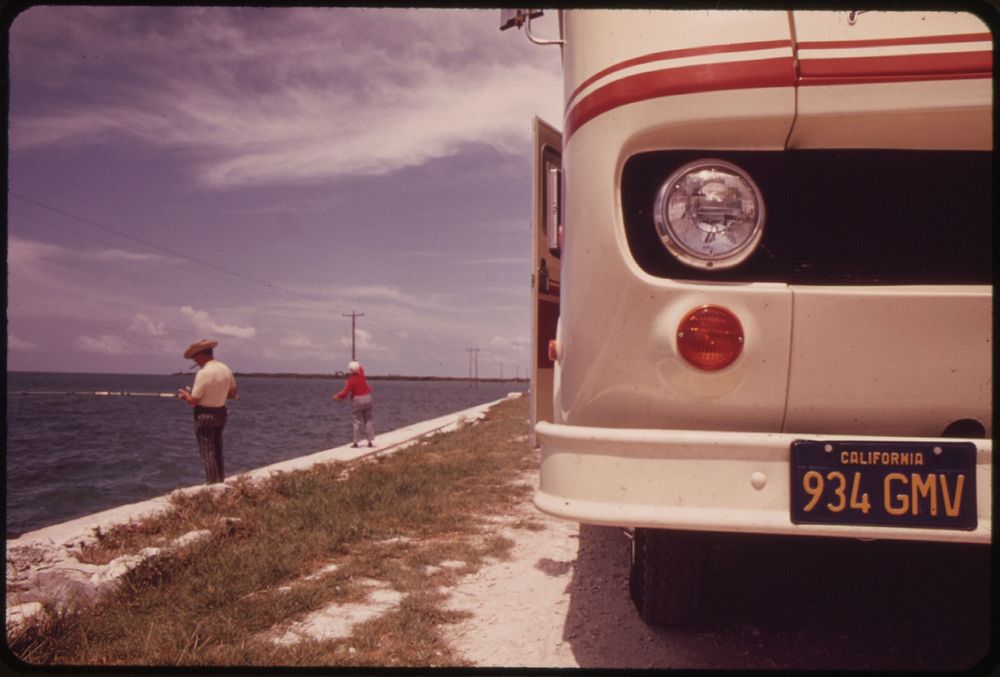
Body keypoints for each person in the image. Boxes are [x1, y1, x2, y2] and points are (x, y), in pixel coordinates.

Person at [177, 339, 238, 484]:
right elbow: (233, 393)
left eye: (194, 357)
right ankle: (220, 481)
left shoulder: (203, 373)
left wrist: (186, 396)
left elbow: (194, 401)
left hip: (205, 415)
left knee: (207, 452)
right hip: (221, 413)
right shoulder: (225, 368)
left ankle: (212, 485)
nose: (195, 361)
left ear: (200, 355)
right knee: (217, 450)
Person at [333, 361, 375, 448]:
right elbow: (361, 368)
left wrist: (338, 396)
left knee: (356, 421)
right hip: (368, 397)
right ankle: (370, 441)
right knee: (368, 420)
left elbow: (345, 392)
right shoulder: (362, 375)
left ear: (350, 370)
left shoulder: (351, 380)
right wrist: (355, 361)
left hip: (358, 400)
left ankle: (356, 442)